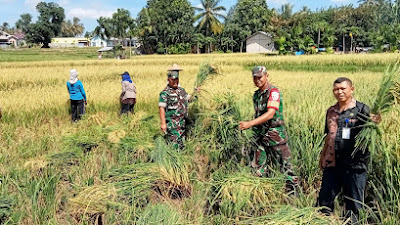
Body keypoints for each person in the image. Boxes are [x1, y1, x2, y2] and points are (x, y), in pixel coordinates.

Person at [317, 77, 381, 223]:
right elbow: (328, 136)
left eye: (343, 89)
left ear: (351, 89)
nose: (339, 92)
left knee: (354, 205)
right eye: (336, 89)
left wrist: (376, 120)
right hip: (333, 164)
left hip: (355, 166)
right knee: (324, 201)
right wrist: (322, 157)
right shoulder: (331, 112)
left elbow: (374, 122)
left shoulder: (362, 109)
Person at [239, 66, 296, 182]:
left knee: (285, 166)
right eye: (255, 78)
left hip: (275, 135)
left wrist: (249, 123)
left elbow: (270, 114)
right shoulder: (256, 95)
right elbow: (259, 115)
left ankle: (293, 192)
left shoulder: (273, 92)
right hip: (260, 136)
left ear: (266, 76)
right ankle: (263, 190)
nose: (257, 80)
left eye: (260, 77)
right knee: (258, 166)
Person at [158, 64, 197, 149]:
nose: (175, 82)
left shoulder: (181, 91)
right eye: (173, 80)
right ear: (169, 80)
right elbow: (161, 108)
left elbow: (189, 99)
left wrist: (196, 92)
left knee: (182, 145)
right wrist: (163, 123)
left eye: (177, 79)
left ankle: (181, 159)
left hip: (183, 124)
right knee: (174, 146)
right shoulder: (165, 93)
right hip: (172, 125)